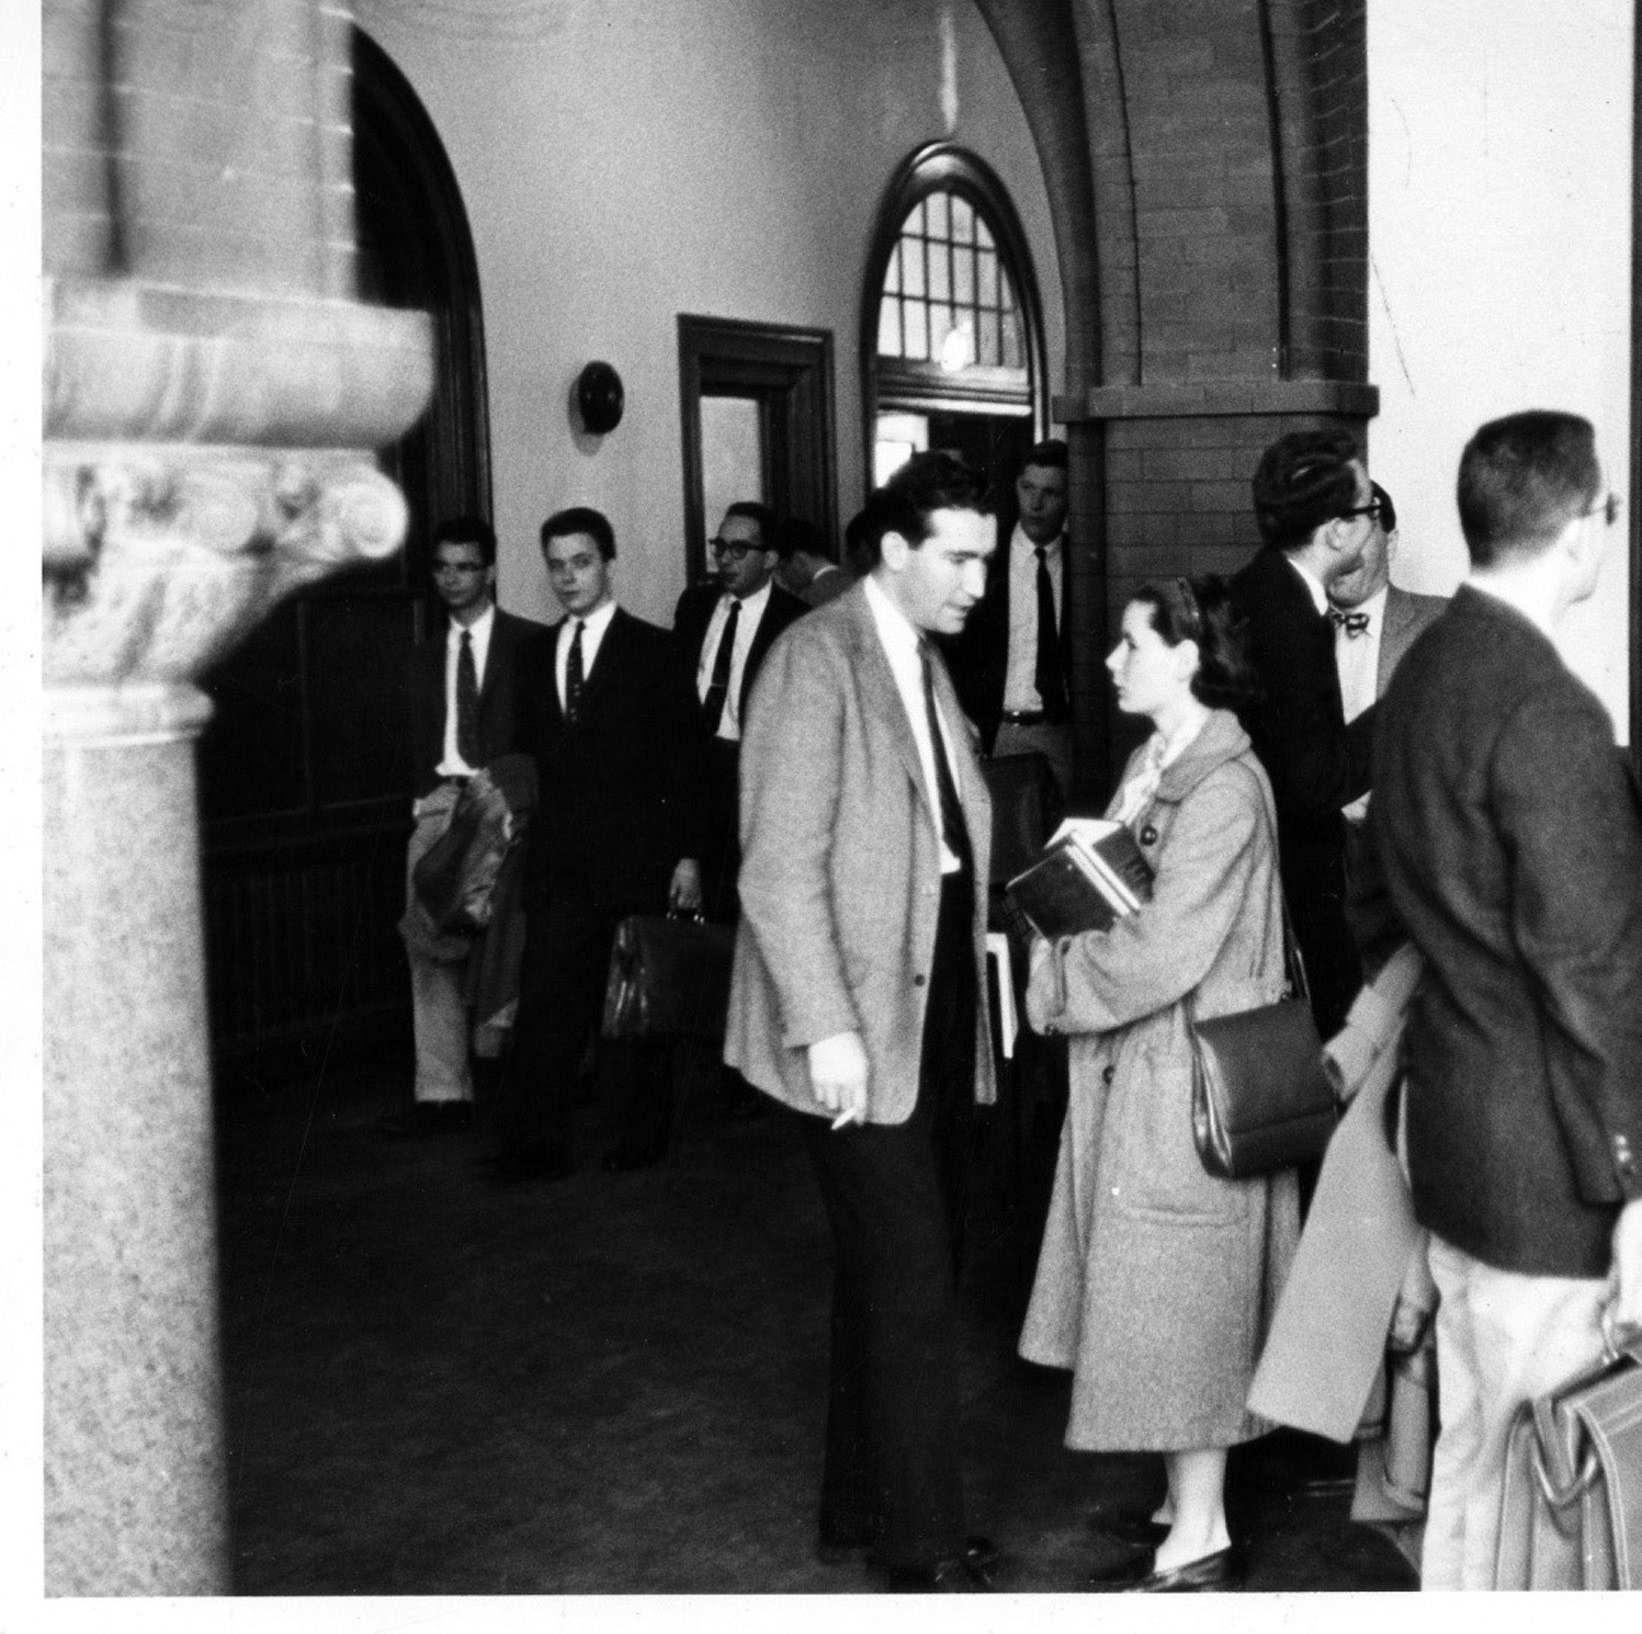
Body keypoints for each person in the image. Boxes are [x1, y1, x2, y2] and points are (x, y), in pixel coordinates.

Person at [1348, 410, 1642, 1590]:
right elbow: (1597, 982)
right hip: (1550, 1165)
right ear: (1581, 528)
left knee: (1474, 1460)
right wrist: (1640, 1197)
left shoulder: (1424, 671)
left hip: (1453, 1136)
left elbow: (1373, 901)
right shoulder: (1548, 710)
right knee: (1554, 1500)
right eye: (1608, 509)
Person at [723, 450, 1003, 1592]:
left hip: (930, 996)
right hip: (854, 1012)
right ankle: (919, 1541)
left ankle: (861, 1503)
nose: (979, 581)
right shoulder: (815, 657)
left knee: (892, 1267)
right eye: (960, 558)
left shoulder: (919, 655)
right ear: (894, 551)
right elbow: (778, 868)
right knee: (911, 1271)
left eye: (987, 559)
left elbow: (941, 836)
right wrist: (826, 1026)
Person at [1016, 575, 1298, 1595]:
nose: (1109, 661)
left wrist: (1050, 978)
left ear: (1186, 658)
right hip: (1144, 1071)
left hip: (1185, 1081)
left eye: (1130, 644)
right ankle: (1186, 1502)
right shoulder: (1155, 763)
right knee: (1166, 1293)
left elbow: (1165, 950)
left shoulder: (1223, 788)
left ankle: (1202, 1536)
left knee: (1184, 1302)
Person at [489, 507, 705, 1182]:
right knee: (548, 1006)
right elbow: (527, 758)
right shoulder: (533, 656)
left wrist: (688, 856)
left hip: (639, 858)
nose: (567, 577)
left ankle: (642, 1139)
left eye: (581, 562)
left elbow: (686, 763)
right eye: (556, 565)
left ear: (608, 563)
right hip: (559, 864)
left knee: (639, 1007)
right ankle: (535, 1147)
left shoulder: (657, 650)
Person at [384, 516, 547, 1139]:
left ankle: (514, 1084)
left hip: (505, 807)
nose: (453, 579)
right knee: (430, 946)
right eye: (443, 567)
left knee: (509, 947)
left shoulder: (529, 644)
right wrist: (422, 801)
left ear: (491, 571)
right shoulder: (422, 656)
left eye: (466, 566)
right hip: (440, 806)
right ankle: (442, 1093)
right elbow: (411, 737)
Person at [1228, 428, 1385, 1037]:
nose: (1374, 520)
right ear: (1338, 531)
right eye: (1369, 507)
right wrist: (1403, 711)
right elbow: (1311, 785)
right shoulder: (1290, 619)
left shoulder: (1264, 586)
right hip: (1291, 891)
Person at [672, 502, 806, 924]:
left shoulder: (795, 621)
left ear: (769, 558)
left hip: (752, 776)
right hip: (695, 766)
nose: (725, 560)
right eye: (720, 547)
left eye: (739, 550)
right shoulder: (694, 604)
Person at [945, 439, 1075, 800]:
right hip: (997, 729)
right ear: (1015, 486)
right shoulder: (984, 559)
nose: (1035, 504)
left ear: (1069, 498)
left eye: (1051, 493)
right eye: (1028, 488)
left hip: (1063, 732)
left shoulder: (1081, 564)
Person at [1324, 480, 1447, 831]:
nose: (1343, 551)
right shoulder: (1289, 633)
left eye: (1358, 534)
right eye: (1330, 538)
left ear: (1390, 544)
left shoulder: (1444, 626)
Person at [770, 513, 849, 610]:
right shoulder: (856, 581)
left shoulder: (808, 599)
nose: (780, 578)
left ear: (800, 560)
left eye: (781, 569)